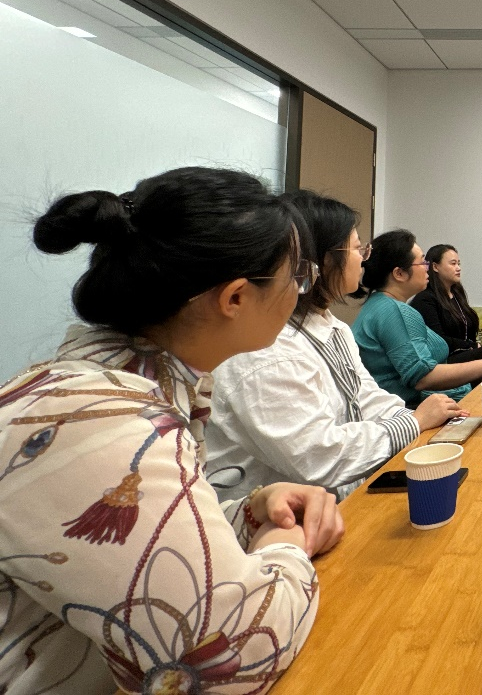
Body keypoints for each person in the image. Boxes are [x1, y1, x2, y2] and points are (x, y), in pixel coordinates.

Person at [0, 167, 343, 693]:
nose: (301, 290)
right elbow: (226, 659)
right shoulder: (105, 423)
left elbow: (138, 548)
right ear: (235, 297)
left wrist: (251, 513)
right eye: (295, 275)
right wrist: (284, 545)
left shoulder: (125, 391)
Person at [206, 192, 467, 503]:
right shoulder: (264, 348)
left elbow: (364, 396)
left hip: (339, 495)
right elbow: (318, 457)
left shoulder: (332, 326)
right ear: (323, 260)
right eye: (357, 248)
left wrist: (423, 418)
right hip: (283, 519)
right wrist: (415, 421)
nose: (364, 258)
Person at [354, 230, 482, 406]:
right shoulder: (394, 311)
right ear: (399, 274)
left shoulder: (379, 304)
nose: (426, 267)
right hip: (406, 409)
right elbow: (422, 377)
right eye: (422, 262)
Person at [410, 243, 482, 364]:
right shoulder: (425, 299)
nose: (458, 268)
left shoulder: (457, 294)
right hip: (444, 360)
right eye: (453, 264)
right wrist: (471, 346)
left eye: (458, 264)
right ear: (435, 267)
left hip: (465, 353)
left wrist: (472, 347)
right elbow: (438, 340)